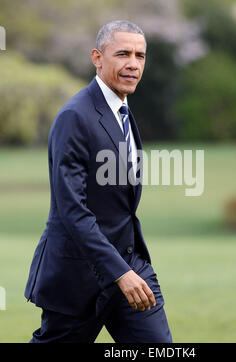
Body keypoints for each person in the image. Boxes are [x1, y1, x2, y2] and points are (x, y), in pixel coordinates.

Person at [24, 20, 172, 343]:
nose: (133, 64)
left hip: (131, 265)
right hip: (78, 277)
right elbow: (73, 211)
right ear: (97, 57)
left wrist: (127, 267)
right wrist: (118, 272)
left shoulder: (125, 112)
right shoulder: (74, 117)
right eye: (123, 54)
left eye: (140, 56)